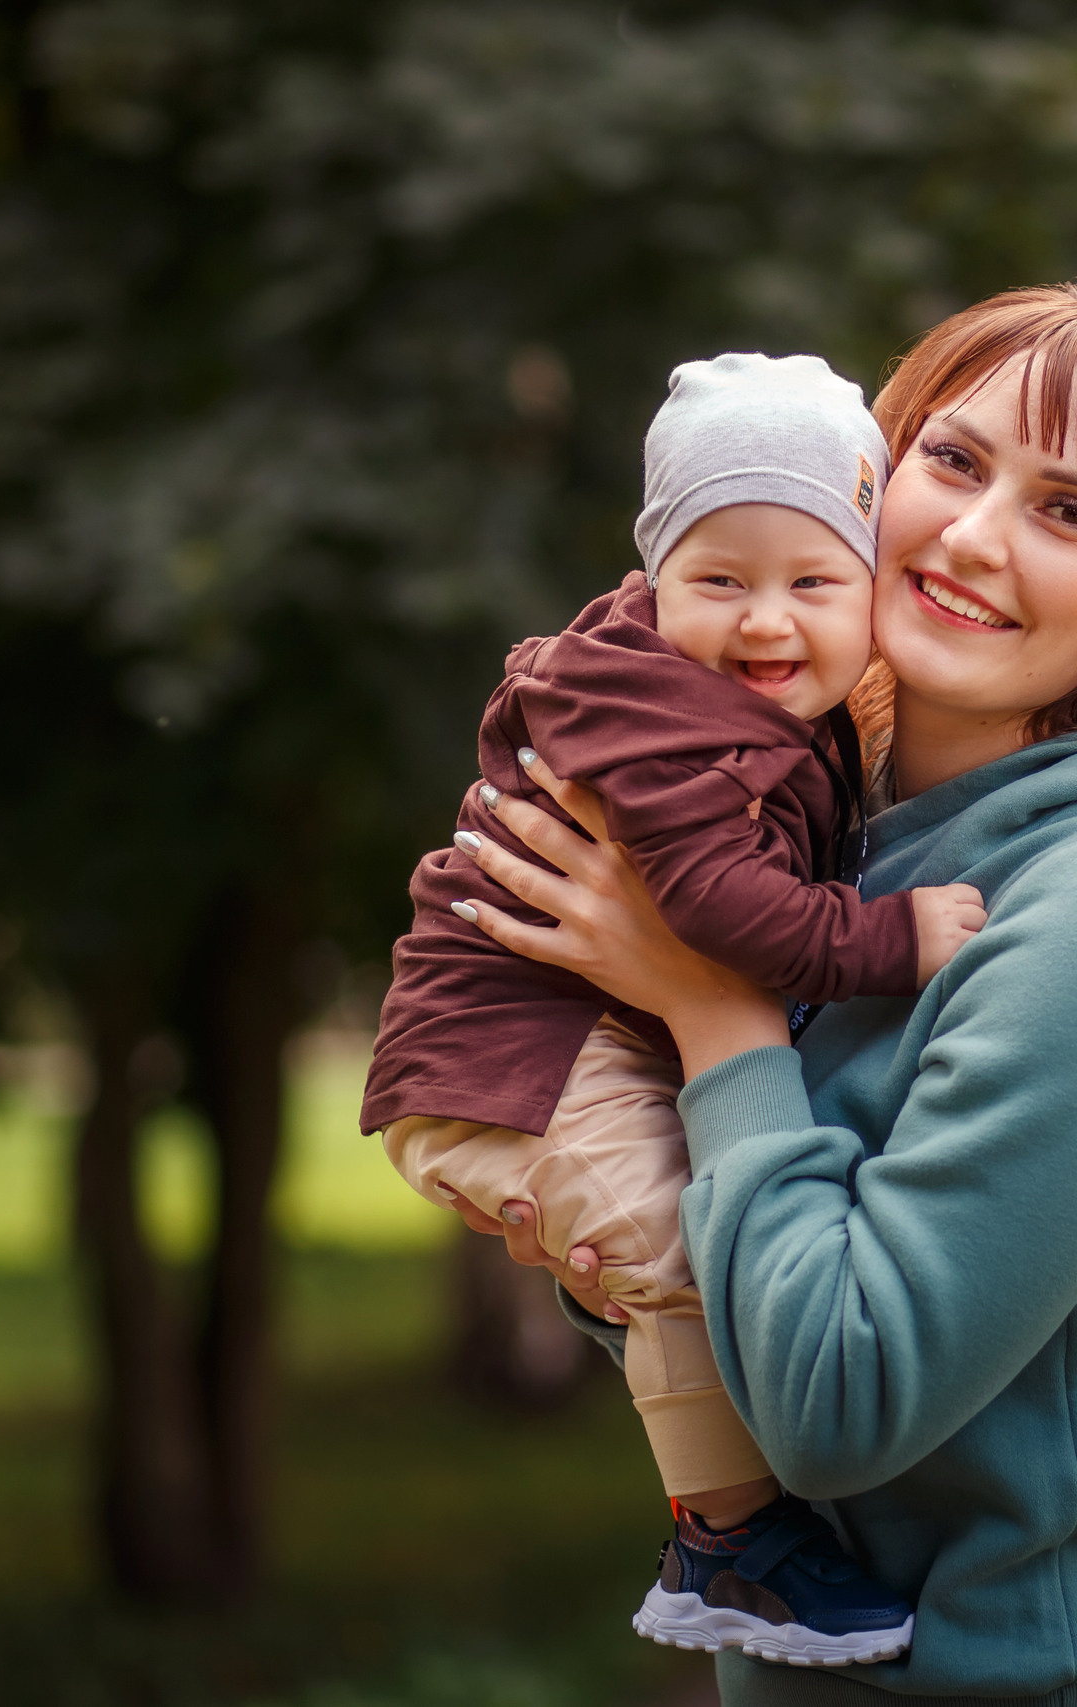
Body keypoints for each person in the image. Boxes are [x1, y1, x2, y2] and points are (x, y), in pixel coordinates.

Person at [443, 284, 1077, 1705]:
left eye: (1073, 512)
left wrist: (714, 1007)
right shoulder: (832, 835)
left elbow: (836, 1404)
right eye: (955, 462)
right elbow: (710, 1290)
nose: (972, 537)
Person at [365, 353, 992, 1665]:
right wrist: (892, 938)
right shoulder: (664, 720)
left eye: (815, 581)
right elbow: (717, 912)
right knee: (693, 1253)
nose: (767, 621)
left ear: (873, 582)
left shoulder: (751, 707)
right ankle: (731, 1548)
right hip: (512, 1068)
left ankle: (735, 1535)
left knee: (691, 1253)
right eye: (721, 580)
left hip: (554, 1052)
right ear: (657, 584)